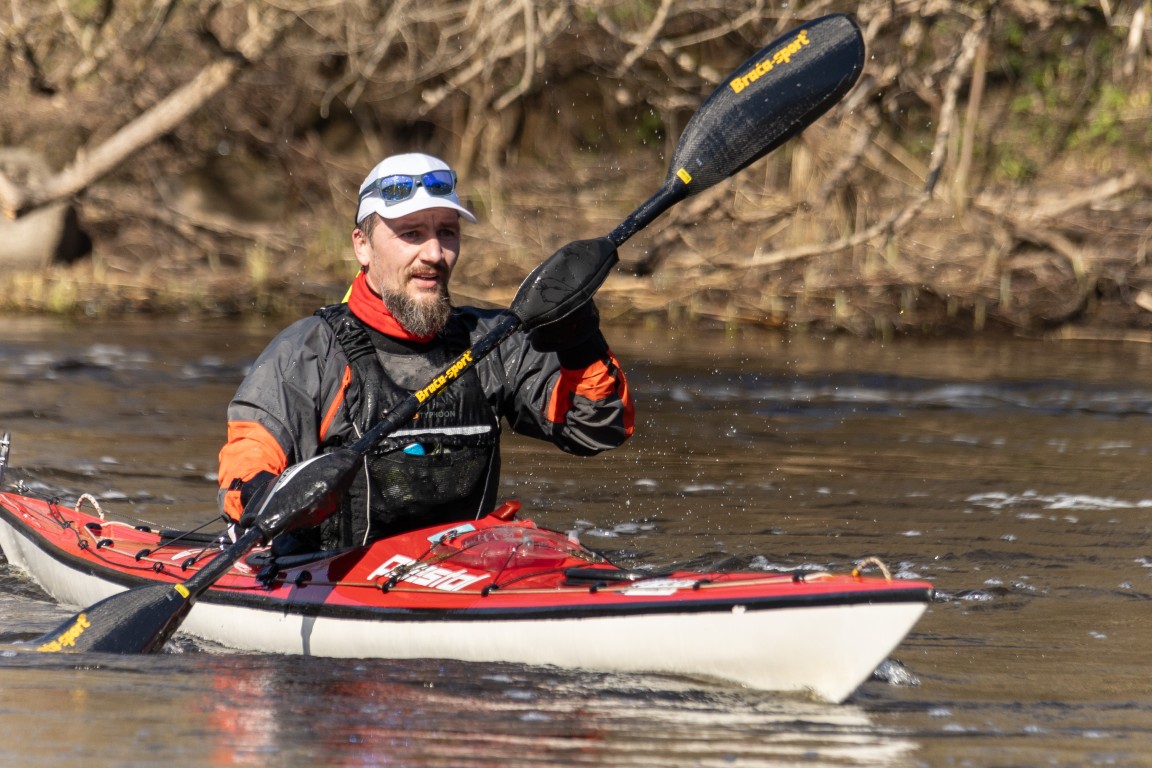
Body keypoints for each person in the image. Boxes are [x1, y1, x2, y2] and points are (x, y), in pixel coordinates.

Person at [217, 152, 633, 550]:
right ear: (362, 246)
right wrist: (266, 497)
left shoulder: (492, 341)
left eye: (446, 232)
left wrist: (578, 335)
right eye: (411, 234)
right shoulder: (308, 352)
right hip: (328, 574)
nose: (434, 254)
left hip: (464, 568)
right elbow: (246, 462)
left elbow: (597, 429)